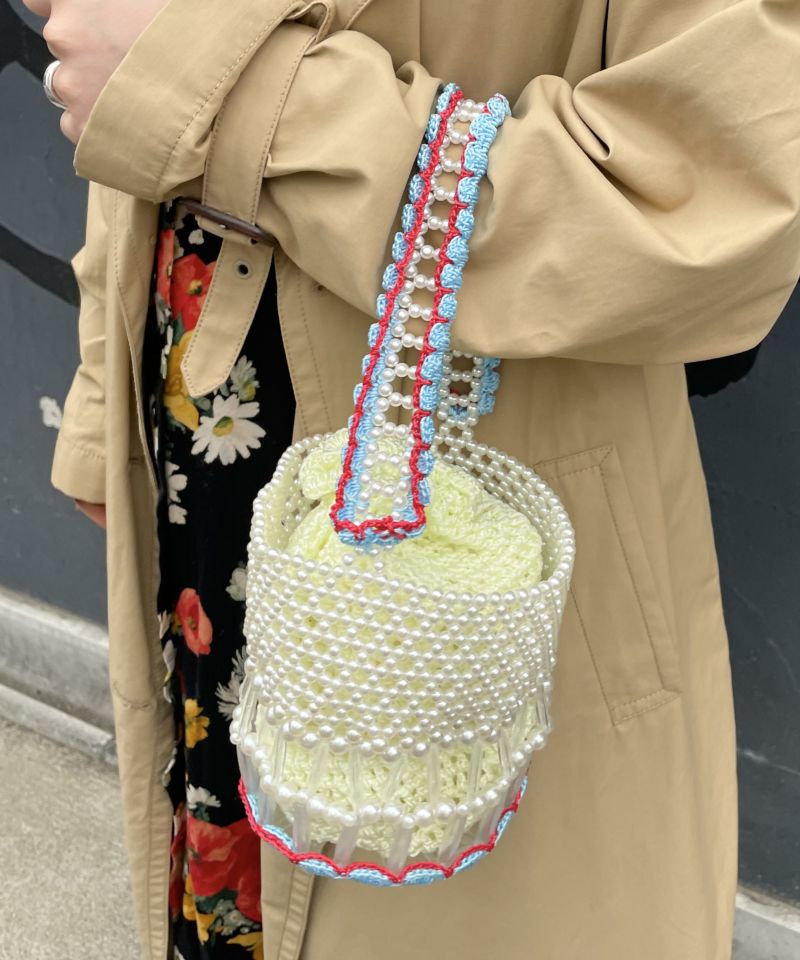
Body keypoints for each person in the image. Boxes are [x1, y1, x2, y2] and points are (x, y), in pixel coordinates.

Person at [24, 0, 800, 958]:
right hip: (204, 464)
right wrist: (102, 397)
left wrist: (221, 97)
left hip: (468, 521)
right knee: (230, 866)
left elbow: (713, 203)